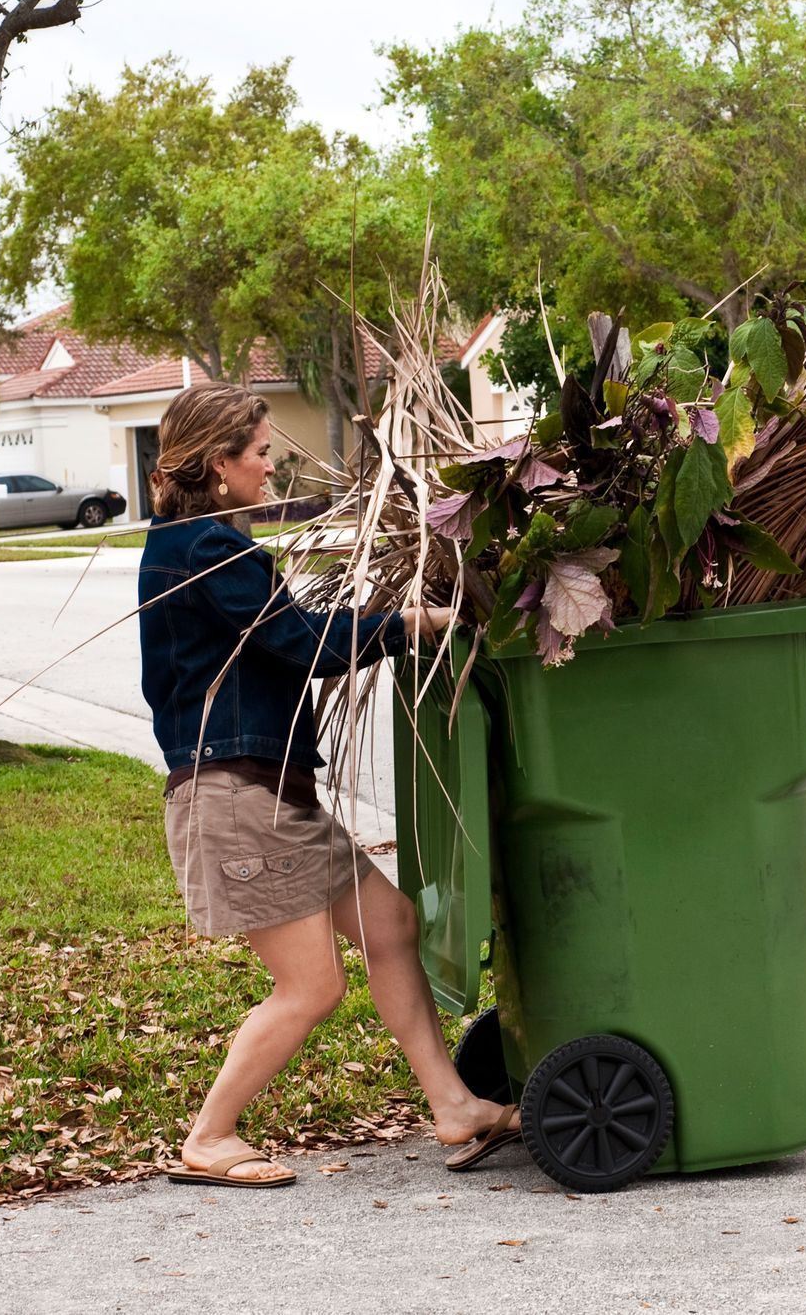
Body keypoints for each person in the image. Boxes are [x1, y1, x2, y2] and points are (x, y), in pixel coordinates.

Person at [137, 381, 518, 1188]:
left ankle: (454, 1105)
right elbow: (298, 642)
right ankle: (209, 1136)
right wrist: (405, 622)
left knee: (391, 922)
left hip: (276, 795)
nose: (271, 468)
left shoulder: (201, 544)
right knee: (310, 986)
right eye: (262, 453)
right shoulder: (201, 548)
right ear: (220, 462)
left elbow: (283, 635)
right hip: (236, 800)